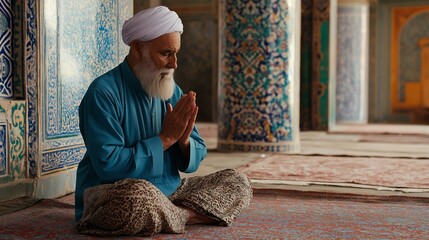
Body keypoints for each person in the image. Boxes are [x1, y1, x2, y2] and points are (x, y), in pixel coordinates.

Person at [74, 6, 252, 236]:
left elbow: (195, 157)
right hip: (114, 194)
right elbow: (108, 167)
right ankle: (186, 214)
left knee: (237, 182)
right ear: (137, 48)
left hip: (170, 193)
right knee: (136, 199)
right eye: (166, 53)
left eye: (176, 53)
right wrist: (166, 139)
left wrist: (184, 141)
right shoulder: (103, 93)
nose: (174, 64)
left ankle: (175, 215)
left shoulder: (170, 88)